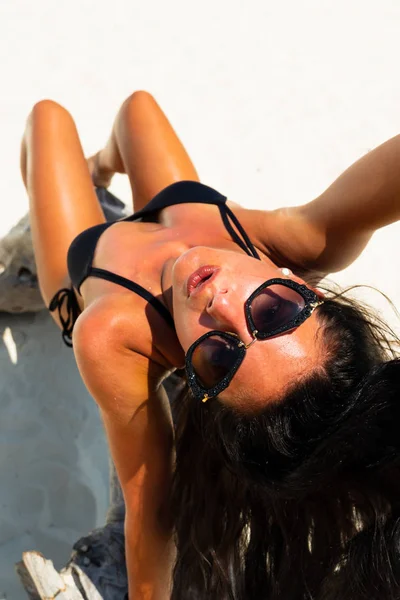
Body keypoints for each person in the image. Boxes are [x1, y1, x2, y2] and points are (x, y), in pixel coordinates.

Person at [21, 91, 400, 600]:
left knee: (48, 118)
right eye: (271, 312)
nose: (220, 304)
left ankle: (36, 254)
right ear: (305, 288)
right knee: (137, 109)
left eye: (219, 356)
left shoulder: (112, 332)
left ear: (197, 382)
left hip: (89, 266)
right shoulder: (301, 238)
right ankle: (101, 170)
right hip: (174, 214)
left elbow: (150, 509)